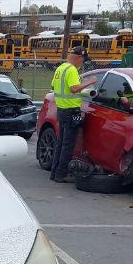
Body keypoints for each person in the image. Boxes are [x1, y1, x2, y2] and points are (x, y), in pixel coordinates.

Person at [49, 47, 97, 183]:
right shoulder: (71, 70)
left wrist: (78, 79)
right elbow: (74, 89)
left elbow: (54, 86)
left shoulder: (61, 68)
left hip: (61, 110)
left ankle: (54, 172)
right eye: (83, 60)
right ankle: (60, 174)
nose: (83, 64)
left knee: (60, 143)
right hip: (71, 110)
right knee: (68, 145)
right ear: (79, 57)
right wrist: (90, 82)